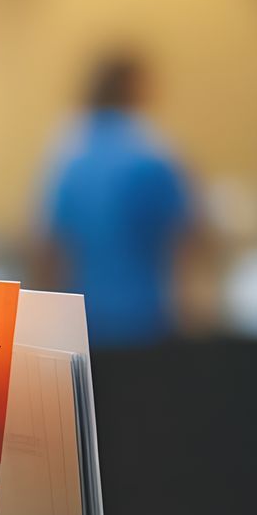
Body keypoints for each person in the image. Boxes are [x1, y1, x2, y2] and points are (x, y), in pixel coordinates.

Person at [38, 52, 195, 348]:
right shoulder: (152, 151)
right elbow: (186, 235)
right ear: (133, 90)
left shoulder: (68, 155)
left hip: (84, 320)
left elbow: (48, 246)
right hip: (146, 318)